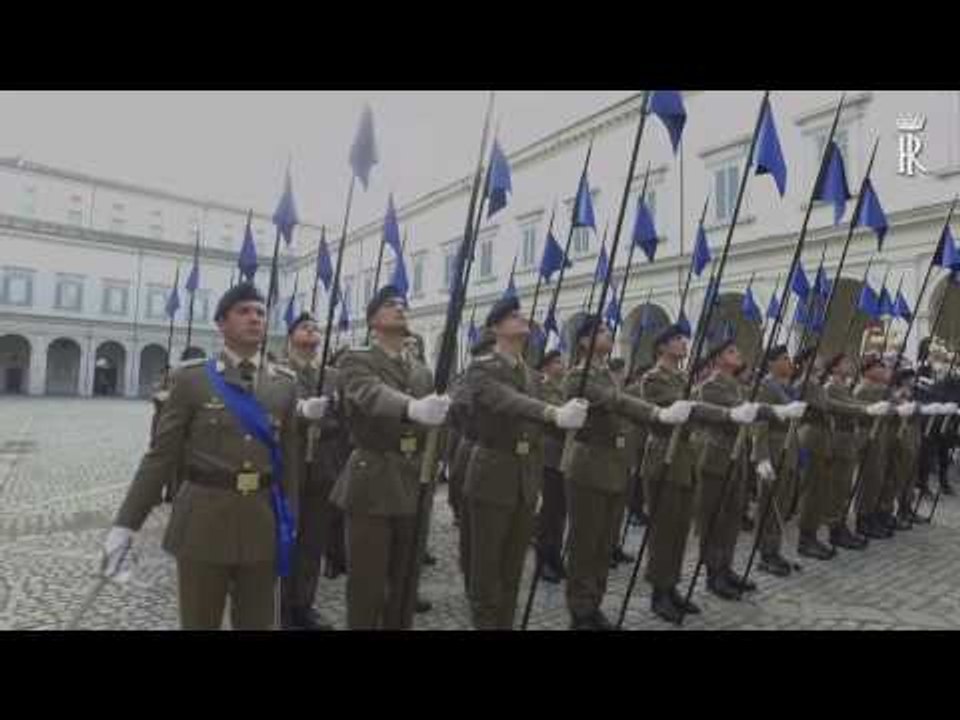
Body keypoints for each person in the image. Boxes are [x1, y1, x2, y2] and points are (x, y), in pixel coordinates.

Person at [102, 282, 329, 630]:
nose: (254, 318)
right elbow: (160, 457)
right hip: (203, 521)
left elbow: (289, 462)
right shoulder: (192, 380)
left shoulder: (284, 384)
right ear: (221, 324)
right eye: (243, 312)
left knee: (258, 622)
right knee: (200, 620)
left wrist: (291, 519)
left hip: (262, 521)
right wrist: (125, 524)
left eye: (260, 312)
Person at [462, 296, 589, 629]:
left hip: (525, 477)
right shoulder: (481, 368)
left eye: (522, 315)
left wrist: (570, 410)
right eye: (514, 316)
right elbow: (509, 401)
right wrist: (552, 412)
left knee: (513, 567)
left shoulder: (532, 375)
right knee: (487, 569)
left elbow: (543, 413)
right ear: (496, 327)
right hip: (492, 474)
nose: (523, 319)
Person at [563, 316, 695, 630]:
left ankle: (593, 604)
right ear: (584, 342)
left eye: (609, 331)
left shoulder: (608, 374)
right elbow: (617, 402)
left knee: (604, 543)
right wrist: (657, 412)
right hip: (589, 466)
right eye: (602, 331)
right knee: (586, 543)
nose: (610, 334)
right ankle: (580, 611)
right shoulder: (578, 376)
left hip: (615, 466)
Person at [329, 285, 450, 629]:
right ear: (372, 321)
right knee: (367, 583)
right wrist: (412, 407)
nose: (401, 308)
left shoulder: (420, 370)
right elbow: (370, 394)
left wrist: (438, 454)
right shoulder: (356, 359)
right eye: (390, 305)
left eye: (403, 304)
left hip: (415, 480)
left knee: (405, 582)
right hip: (373, 479)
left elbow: (436, 425)